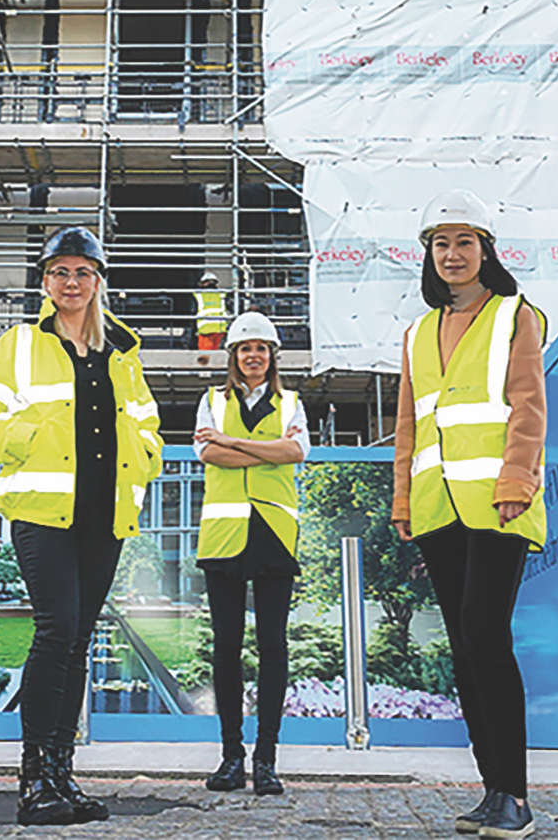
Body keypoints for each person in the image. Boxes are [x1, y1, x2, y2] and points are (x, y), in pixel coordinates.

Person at [0, 226, 164, 826]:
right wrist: (22, 439)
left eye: (82, 272)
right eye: (59, 272)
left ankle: (61, 775)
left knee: (78, 641)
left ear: (99, 281)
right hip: (42, 512)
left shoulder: (122, 351)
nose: (71, 283)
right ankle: (34, 780)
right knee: (57, 629)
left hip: (106, 513)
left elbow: (148, 426)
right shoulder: (18, 344)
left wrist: (144, 458)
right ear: (45, 282)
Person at [390, 190, 546, 840]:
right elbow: (407, 426)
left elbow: (528, 403)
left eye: (464, 242)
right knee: (464, 647)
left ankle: (515, 795)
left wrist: (516, 475)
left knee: (486, 633)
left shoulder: (516, 314)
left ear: (486, 249)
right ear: (429, 255)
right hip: (436, 505)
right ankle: (493, 792)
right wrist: (401, 497)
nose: (452, 255)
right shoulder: (418, 332)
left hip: (498, 501)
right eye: (440, 244)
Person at [192, 311, 308, 797]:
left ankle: (266, 760)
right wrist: (264, 448)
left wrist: (233, 441)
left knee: (273, 648)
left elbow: (296, 453)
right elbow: (208, 455)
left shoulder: (293, 403)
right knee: (226, 649)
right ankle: (230, 757)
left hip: (274, 534)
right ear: (234, 356)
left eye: (262, 349)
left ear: (272, 356)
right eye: (245, 348)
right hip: (224, 537)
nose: (254, 356)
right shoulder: (211, 400)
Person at [194, 272, 226, 350]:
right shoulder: (222, 294)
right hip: (219, 328)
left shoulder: (199, 295)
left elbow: (194, 312)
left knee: (205, 356)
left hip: (205, 330)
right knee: (216, 356)